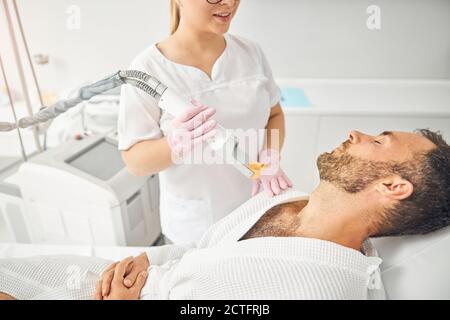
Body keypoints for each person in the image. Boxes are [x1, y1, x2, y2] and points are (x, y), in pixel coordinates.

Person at [1, 129, 449, 300]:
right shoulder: (284, 199)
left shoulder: (320, 290)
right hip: (106, 280)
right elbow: (197, 250)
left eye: (379, 139)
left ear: (393, 187)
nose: (356, 133)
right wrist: (147, 261)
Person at [117, 0, 293, 245]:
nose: (229, 3)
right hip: (193, 231)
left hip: (255, 214)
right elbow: (135, 162)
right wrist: (174, 145)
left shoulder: (251, 53)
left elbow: (275, 115)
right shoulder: (148, 69)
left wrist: (270, 154)